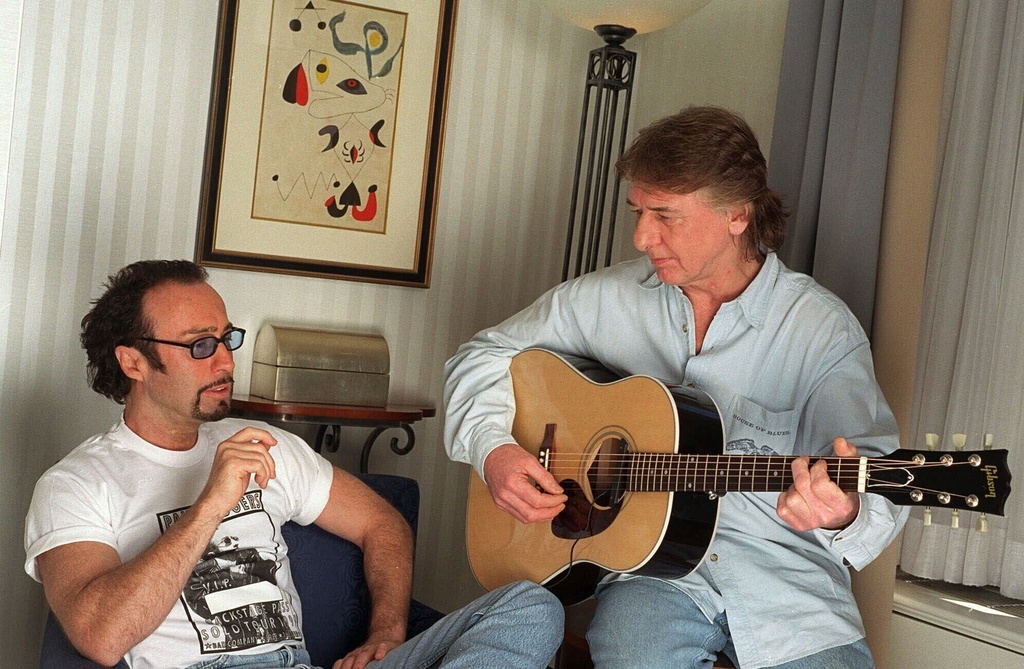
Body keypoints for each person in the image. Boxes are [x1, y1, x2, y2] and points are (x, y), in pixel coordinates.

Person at [443, 106, 909, 669]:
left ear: (737, 214)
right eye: (638, 211)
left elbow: (876, 470)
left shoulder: (820, 329)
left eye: (665, 215)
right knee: (631, 650)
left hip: (787, 580)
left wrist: (842, 511)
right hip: (653, 577)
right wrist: (494, 449)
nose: (642, 236)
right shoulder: (607, 297)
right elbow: (484, 353)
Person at [24, 259, 563, 669]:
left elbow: (383, 524)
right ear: (133, 361)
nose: (226, 360)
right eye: (201, 345)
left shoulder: (261, 442)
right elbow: (99, 636)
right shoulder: (76, 483)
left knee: (532, 607)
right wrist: (212, 504)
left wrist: (387, 632)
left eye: (227, 338)